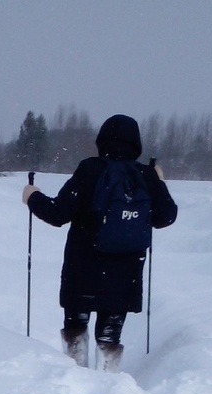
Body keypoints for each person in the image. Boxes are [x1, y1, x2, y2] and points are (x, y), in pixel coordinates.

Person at [23, 114, 177, 372]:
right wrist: (158, 182)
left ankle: (74, 377)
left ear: (102, 140)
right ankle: (107, 382)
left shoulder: (90, 169)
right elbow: (166, 217)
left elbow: (58, 213)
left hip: (82, 267)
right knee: (110, 334)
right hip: (125, 273)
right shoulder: (145, 175)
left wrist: (32, 197)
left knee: (76, 324)